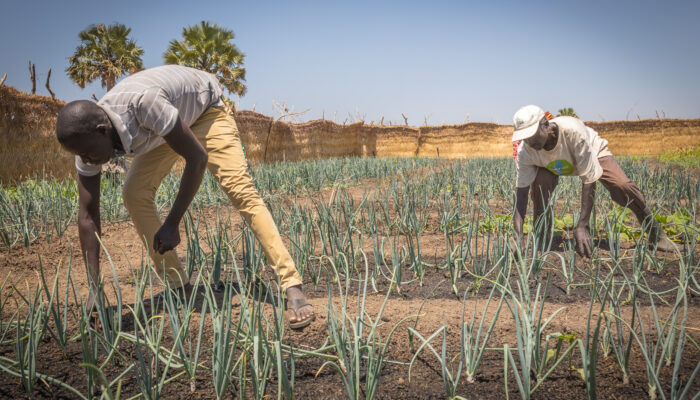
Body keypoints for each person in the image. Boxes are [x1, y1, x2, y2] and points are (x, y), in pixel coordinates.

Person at [55, 65, 315, 329]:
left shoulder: (144, 104)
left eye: (88, 153)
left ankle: (291, 284)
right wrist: (94, 287)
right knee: (134, 193)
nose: (86, 160)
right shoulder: (86, 143)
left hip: (205, 113)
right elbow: (88, 215)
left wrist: (172, 223)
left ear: (102, 130)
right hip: (164, 128)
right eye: (80, 156)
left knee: (240, 190)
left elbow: (197, 158)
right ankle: (179, 286)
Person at [511, 105, 677, 257]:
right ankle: (542, 236)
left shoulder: (572, 131)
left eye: (532, 135)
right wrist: (518, 235)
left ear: (545, 125)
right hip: (552, 165)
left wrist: (582, 225)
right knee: (540, 183)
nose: (529, 142)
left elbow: (589, 179)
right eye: (524, 137)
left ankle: (657, 236)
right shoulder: (526, 150)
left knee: (622, 185)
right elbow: (522, 195)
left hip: (593, 152)